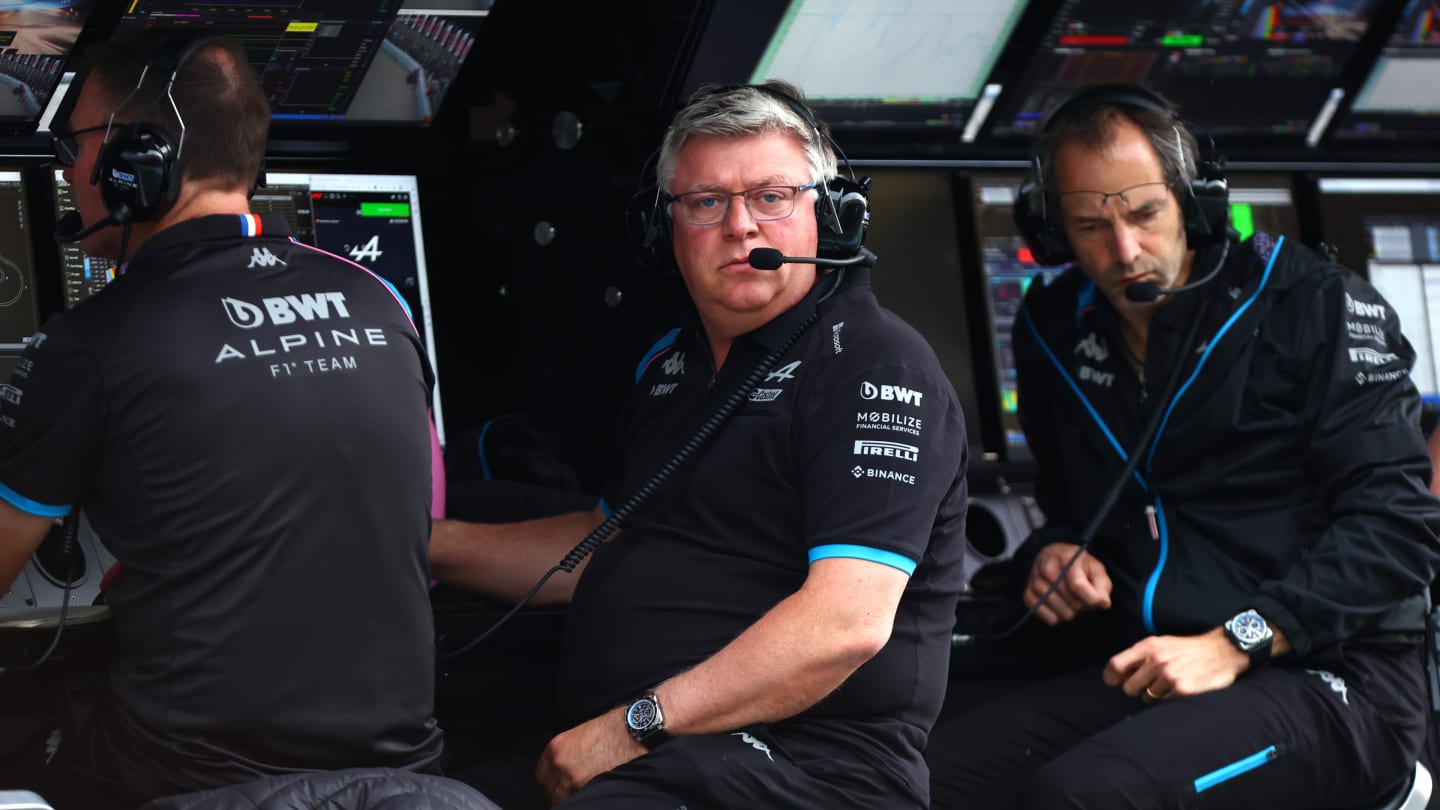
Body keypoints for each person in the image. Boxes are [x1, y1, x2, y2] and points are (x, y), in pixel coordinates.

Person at [430, 80, 969, 809]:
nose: (741, 225)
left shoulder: (873, 366)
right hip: (652, 752)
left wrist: (631, 727)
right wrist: (420, 542)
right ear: (663, 230)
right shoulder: (671, 369)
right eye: (707, 202)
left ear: (832, 217)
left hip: (807, 768)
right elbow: (601, 542)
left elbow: (844, 624)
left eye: (772, 196)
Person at [923, 83, 1440, 809]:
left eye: (1144, 214)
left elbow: (1398, 530)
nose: (1124, 249)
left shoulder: (1315, 305)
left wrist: (1234, 642)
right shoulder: (1051, 326)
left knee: (1087, 797)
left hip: (1332, 676)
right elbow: (1074, 508)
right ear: (1050, 230)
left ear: (1193, 203)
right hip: (1153, 663)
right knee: (916, 782)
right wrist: (1057, 554)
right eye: (1090, 225)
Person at [0, 33, 446, 807]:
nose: (70, 174)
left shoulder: (95, 341)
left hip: (189, 782)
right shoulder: (384, 301)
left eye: (75, 145)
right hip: (406, 778)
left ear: (134, 164)